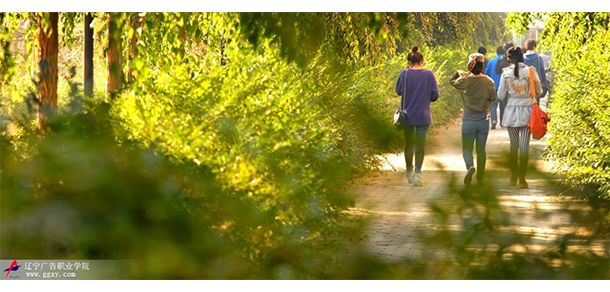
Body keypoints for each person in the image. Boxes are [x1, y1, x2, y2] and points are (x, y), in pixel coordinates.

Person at [497, 47, 543, 189]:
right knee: (524, 147)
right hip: (528, 112)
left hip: (511, 112)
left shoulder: (506, 74)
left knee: (513, 146)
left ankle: (513, 176)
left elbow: (500, 96)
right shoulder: (531, 71)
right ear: (522, 57)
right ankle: (522, 178)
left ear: (509, 59)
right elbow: (540, 91)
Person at [395, 46, 440, 186]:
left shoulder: (404, 73)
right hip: (423, 115)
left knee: (409, 145)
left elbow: (398, 91)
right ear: (422, 61)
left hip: (407, 116)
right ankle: (417, 174)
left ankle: (409, 171)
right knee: (420, 145)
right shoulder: (429, 74)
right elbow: (435, 95)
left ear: (409, 62)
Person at [450, 53, 497, 185]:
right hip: (483, 120)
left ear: (469, 66)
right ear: (483, 66)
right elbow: (493, 99)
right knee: (481, 149)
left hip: (468, 120)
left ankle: (470, 166)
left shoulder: (464, 81)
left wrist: (458, 73)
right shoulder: (489, 81)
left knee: (467, 148)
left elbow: (451, 81)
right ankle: (480, 177)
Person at [484, 45, 506, 129]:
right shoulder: (506, 62)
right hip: (504, 88)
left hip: (493, 88)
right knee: (503, 105)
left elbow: (486, 74)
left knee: (493, 105)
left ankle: (493, 121)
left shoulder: (491, 61)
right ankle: (503, 122)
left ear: (496, 52)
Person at [523, 39, 549, 105]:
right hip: (536, 85)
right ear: (534, 47)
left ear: (526, 47)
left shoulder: (522, 58)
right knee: (535, 105)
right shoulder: (538, 58)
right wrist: (544, 82)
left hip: (524, 84)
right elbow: (542, 71)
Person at [494, 42, 514, 125]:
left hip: (504, 82)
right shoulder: (515, 58)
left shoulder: (502, 59)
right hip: (513, 84)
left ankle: (502, 122)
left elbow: (497, 71)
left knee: (503, 104)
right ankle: (512, 120)